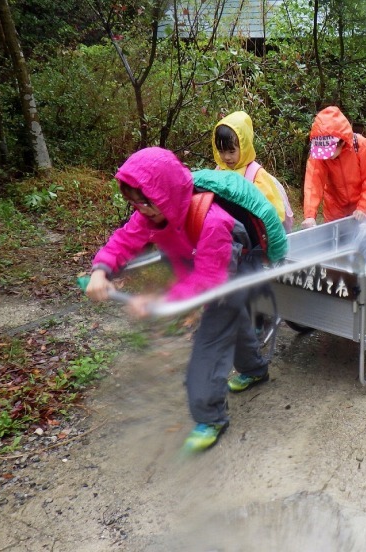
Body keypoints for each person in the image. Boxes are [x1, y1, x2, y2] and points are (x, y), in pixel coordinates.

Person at [85, 147, 282, 453]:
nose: (140, 210)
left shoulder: (212, 221)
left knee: (211, 342)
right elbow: (124, 239)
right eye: (134, 203)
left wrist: (160, 302)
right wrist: (101, 270)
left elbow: (208, 279)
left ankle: (211, 416)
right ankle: (255, 369)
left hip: (232, 274)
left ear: (165, 195)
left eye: (145, 202)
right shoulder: (150, 214)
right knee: (235, 322)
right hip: (204, 268)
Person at [301, 106, 366, 229]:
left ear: (342, 141)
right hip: (334, 208)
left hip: (360, 206)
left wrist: (363, 206)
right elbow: (313, 184)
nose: (326, 156)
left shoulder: (360, 145)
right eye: (323, 151)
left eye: (330, 151)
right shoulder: (319, 152)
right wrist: (310, 215)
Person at [213, 111, 293, 228]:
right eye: (221, 151)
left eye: (231, 151)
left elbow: (271, 211)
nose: (226, 157)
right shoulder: (219, 171)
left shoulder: (256, 175)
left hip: (254, 233)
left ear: (244, 146)